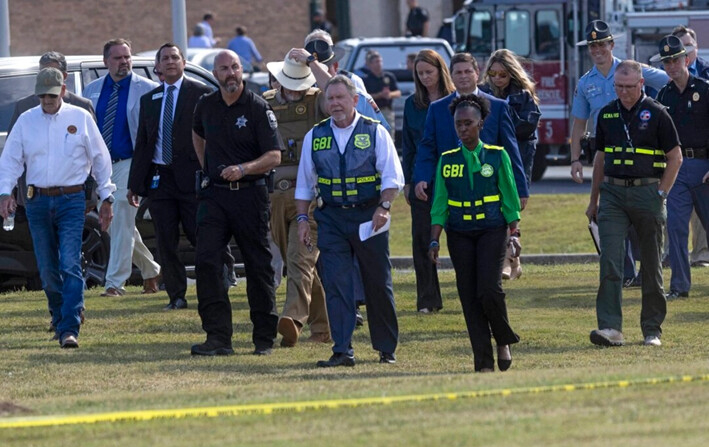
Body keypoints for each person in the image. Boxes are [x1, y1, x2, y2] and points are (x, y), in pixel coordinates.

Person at [0, 68, 116, 348]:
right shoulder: (27, 121)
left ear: (63, 91)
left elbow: (100, 159)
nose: (47, 100)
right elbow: (11, 159)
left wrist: (107, 197)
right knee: (48, 269)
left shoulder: (81, 118)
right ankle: (59, 313)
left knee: (70, 263)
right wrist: (5, 192)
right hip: (37, 201)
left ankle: (69, 327)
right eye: (42, 95)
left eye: (52, 94)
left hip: (72, 200)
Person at [295, 75, 404, 367]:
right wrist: (303, 219)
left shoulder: (375, 131)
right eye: (330, 99)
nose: (334, 104)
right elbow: (304, 184)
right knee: (337, 283)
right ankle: (342, 349)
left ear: (355, 100)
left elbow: (394, 176)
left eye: (340, 98)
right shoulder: (315, 137)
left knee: (377, 282)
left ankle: (385, 348)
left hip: (370, 216)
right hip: (331, 218)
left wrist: (383, 207)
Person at [191, 50, 282, 356]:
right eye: (223, 69)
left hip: (250, 194)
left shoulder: (257, 107)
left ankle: (264, 339)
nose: (230, 73)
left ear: (242, 70)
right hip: (214, 195)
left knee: (258, 265)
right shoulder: (206, 105)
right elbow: (197, 134)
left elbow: (274, 155)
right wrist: (209, 168)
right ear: (215, 73)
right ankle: (217, 338)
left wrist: (243, 169)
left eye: (234, 67)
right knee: (206, 262)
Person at [585, 60, 682, 348]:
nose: (623, 92)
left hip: (647, 194)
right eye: (618, 87)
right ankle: (610, 328)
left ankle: (652, 329)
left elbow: (675, 158)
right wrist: (594, 200)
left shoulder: (658, 114)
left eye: (629, 87)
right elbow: (600, 160)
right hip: (613, 196)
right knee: (610, 263)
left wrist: (661, 194)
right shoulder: (606, 114)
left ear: (641, 84)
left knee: (651, 265)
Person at [569, 20, 669, 288]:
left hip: (640, 153)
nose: (597, 49)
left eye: (602, 43)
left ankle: (644, 269)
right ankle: (625, 273)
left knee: (640, 214)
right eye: (593, 45)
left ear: (612, 44)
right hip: (607, 154)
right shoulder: (585, 82)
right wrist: (575, 159)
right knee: (610, 213)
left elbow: (670, 81)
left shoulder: (630, 70)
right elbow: (579, 122)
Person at [428, 94, 520, 372]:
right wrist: (434, 239)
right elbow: (439, 204)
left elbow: (510, 197)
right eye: (458, 124)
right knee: (468, 296)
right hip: (460, 233)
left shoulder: (496, 154)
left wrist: (514, 234)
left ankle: (502, 339)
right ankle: (483, 362)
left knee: (489, 290)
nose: (463, 129)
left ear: (481, 124)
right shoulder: (447, 160)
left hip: (492, 230)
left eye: (468, 123)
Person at [127, 43, 212, 310]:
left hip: (192, 178)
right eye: (165, 58)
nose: (171, 61)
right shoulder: (149, 100)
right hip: (160, 179)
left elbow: (211, 138)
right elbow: (143, 143)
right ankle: (176, 295)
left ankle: (212, 287)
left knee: (200, 235)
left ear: (184, 63)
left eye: (175, 57)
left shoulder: (201, 94)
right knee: (165, 240)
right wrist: (135, 184)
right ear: (158, 67)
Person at [83, 38, 161, 297]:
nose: (124, 62)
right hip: (99, 167)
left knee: (119, 218)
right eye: (117, 58)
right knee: (123, 225)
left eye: (127, 57)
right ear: (106, 62)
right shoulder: (92, 90)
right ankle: (151, 270)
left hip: (130, 163)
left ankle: (115, 283)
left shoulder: (148, 88)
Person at [264, 54, 331, 346]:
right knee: (301, 265)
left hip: (311, 195)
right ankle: (324, 328)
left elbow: (337, 91)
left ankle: (292, 319)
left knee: (300, 258)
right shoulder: (266, 102)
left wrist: (313, 63)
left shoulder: (318, 100)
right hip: (276, 196)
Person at [413, 52, 529, 211]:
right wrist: (422, 177)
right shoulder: (437, 109)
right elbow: (427, 146)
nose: (463, 76)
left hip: (490, 188)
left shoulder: (498, 107)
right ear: (451, 76)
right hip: (452, 191)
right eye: (458, 72)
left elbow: (510, 150)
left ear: (477, 74)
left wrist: (520, 189)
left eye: (468, 71)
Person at [653, 36, 709, 299]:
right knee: (675, 227)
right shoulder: (663, 95)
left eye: (675, 59)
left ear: (686, 59)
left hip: (705, 167)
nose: (672, 65)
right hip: (676, 170)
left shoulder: (705, 89)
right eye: (667, 62)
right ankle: (679, 287)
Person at [480, 49, 541, 280]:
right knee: (497, 208)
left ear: (512, 74)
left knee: (511, 208)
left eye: (502, 75)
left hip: (518, 158)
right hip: (490, 159)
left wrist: (502, 115)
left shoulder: (522, 95)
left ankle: (508, 260)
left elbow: (527, 128)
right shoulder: (482, 93)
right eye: (492, 74)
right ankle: (512, 261)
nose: (497, 79)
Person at [402, 49, 455, 313]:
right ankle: (428, 299)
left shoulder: (455, 101)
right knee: (422, 240)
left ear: (440, 71)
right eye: (420, 73)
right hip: (422, 180)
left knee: (459, 238)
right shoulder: (412, 104)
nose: (424, 78)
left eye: (429, 72)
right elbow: (408, 145)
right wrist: (409, 182)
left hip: (452, 177)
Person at [672, 25, 709, 268]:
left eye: (688, 44)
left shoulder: (706, 76)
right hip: (676, 159)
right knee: (674, 216)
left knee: (702, 215)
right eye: (680, 45)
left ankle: (702, 255)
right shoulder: (666, 77)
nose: (685, 49)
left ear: (695, 47)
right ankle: (675, 261)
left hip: (702, 159)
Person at [362, 50, 401, 140]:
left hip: (387, 111)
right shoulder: (366, 80)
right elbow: (365, 96)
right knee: (373, 137)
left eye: (380, 61)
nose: (379, 64)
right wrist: (380, 95)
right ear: (370, 64)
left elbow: (398, 92)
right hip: (372, 112)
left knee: (389, 137)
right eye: (376, 62)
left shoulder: (389, 76)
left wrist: (389, 94)